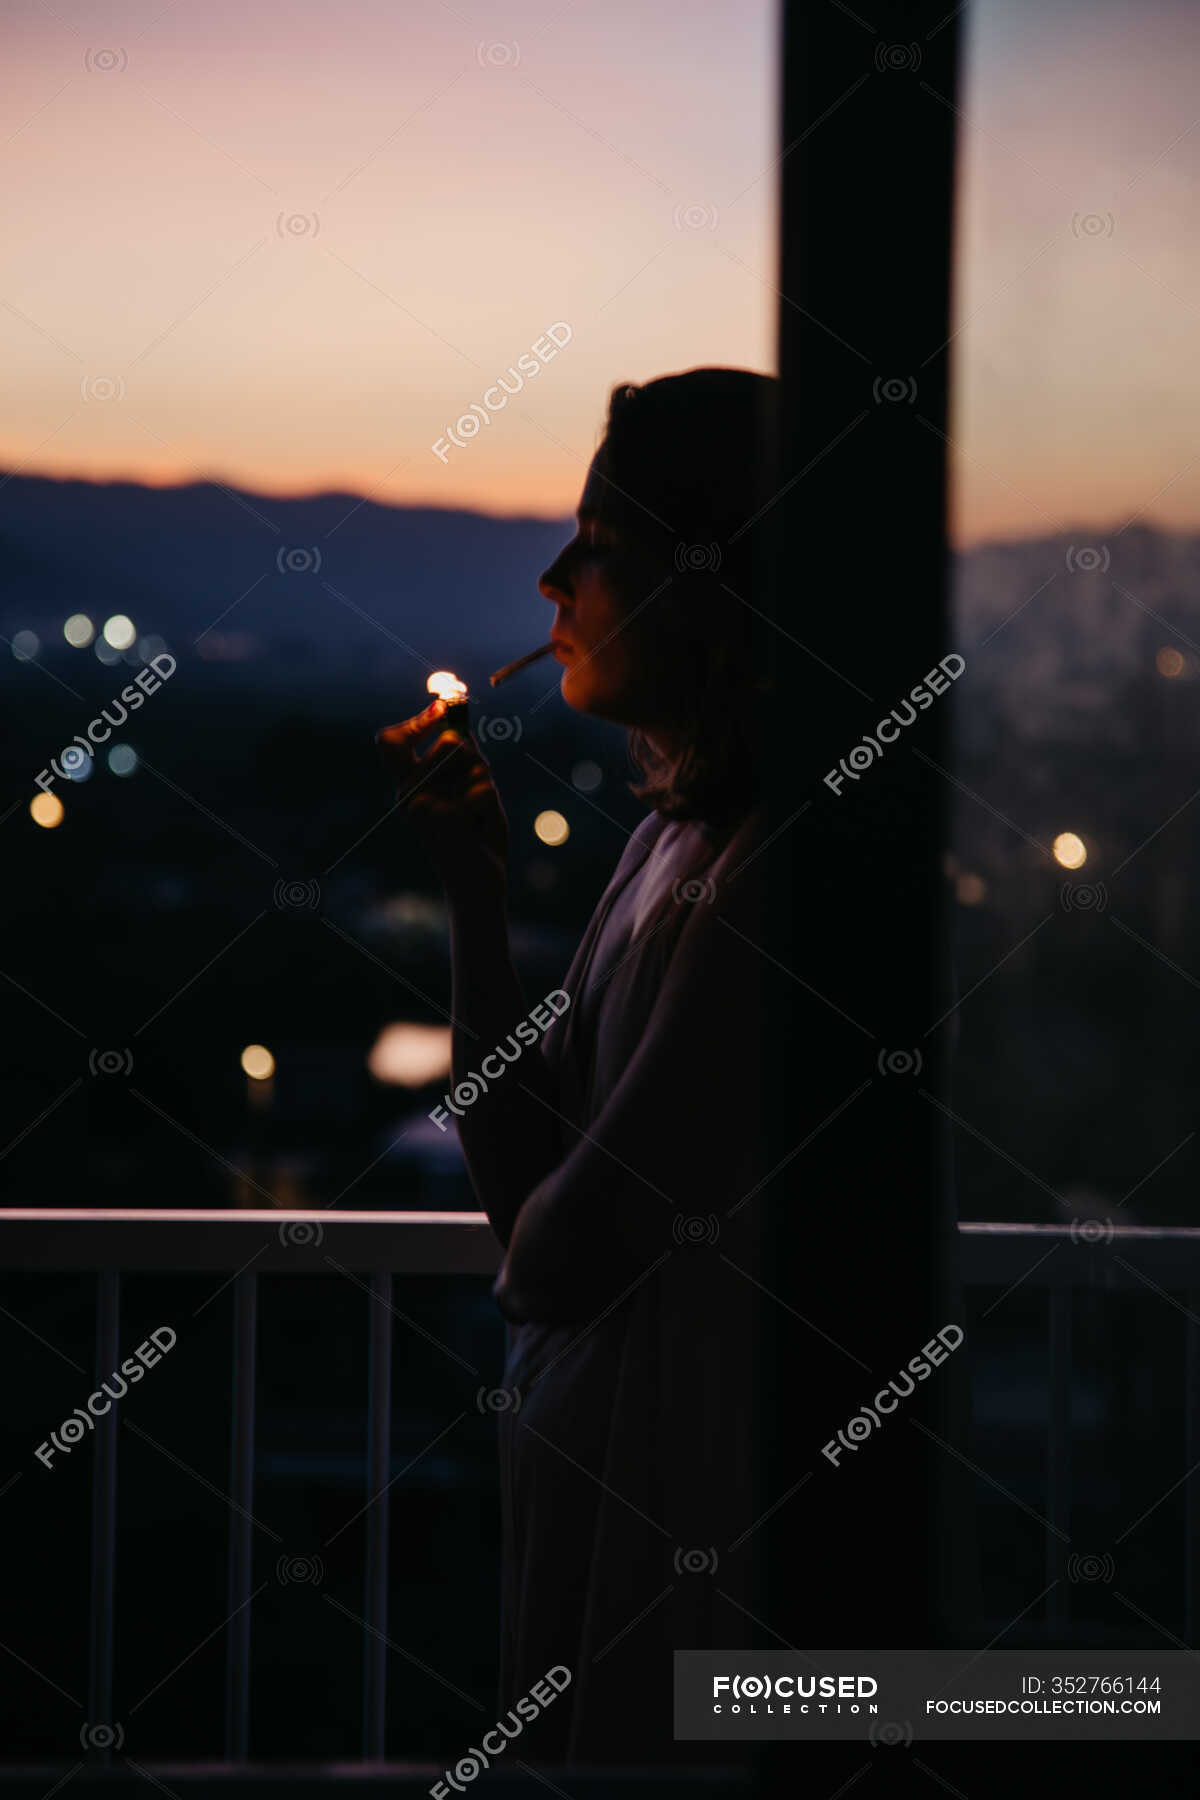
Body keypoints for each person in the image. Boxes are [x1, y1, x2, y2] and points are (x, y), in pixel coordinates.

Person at [378, 368, 779, 1765]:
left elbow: (562, 1248)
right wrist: (476, 901)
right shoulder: (664, 847)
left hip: (706, 1559)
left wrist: (551, 1219)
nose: (552, 580)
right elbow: (520, 1201)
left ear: (704, 582)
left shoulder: (769, 880)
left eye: (596, 547)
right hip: (609, 1533)